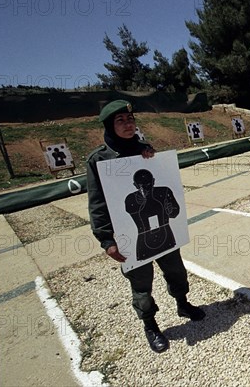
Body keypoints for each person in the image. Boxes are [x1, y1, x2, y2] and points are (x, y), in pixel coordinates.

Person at [86, 100, 205, 354]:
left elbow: (171, 206)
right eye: (120, 121)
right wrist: (106, 240)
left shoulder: (145, 150)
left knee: (176, 271)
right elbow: (97, 204)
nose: (128, 125)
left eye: (130, 119)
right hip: (136, 239)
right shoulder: (99, 161)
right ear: (109, 125)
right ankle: (150, 324)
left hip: (165, 234)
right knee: (141, 284)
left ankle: (182, 303)